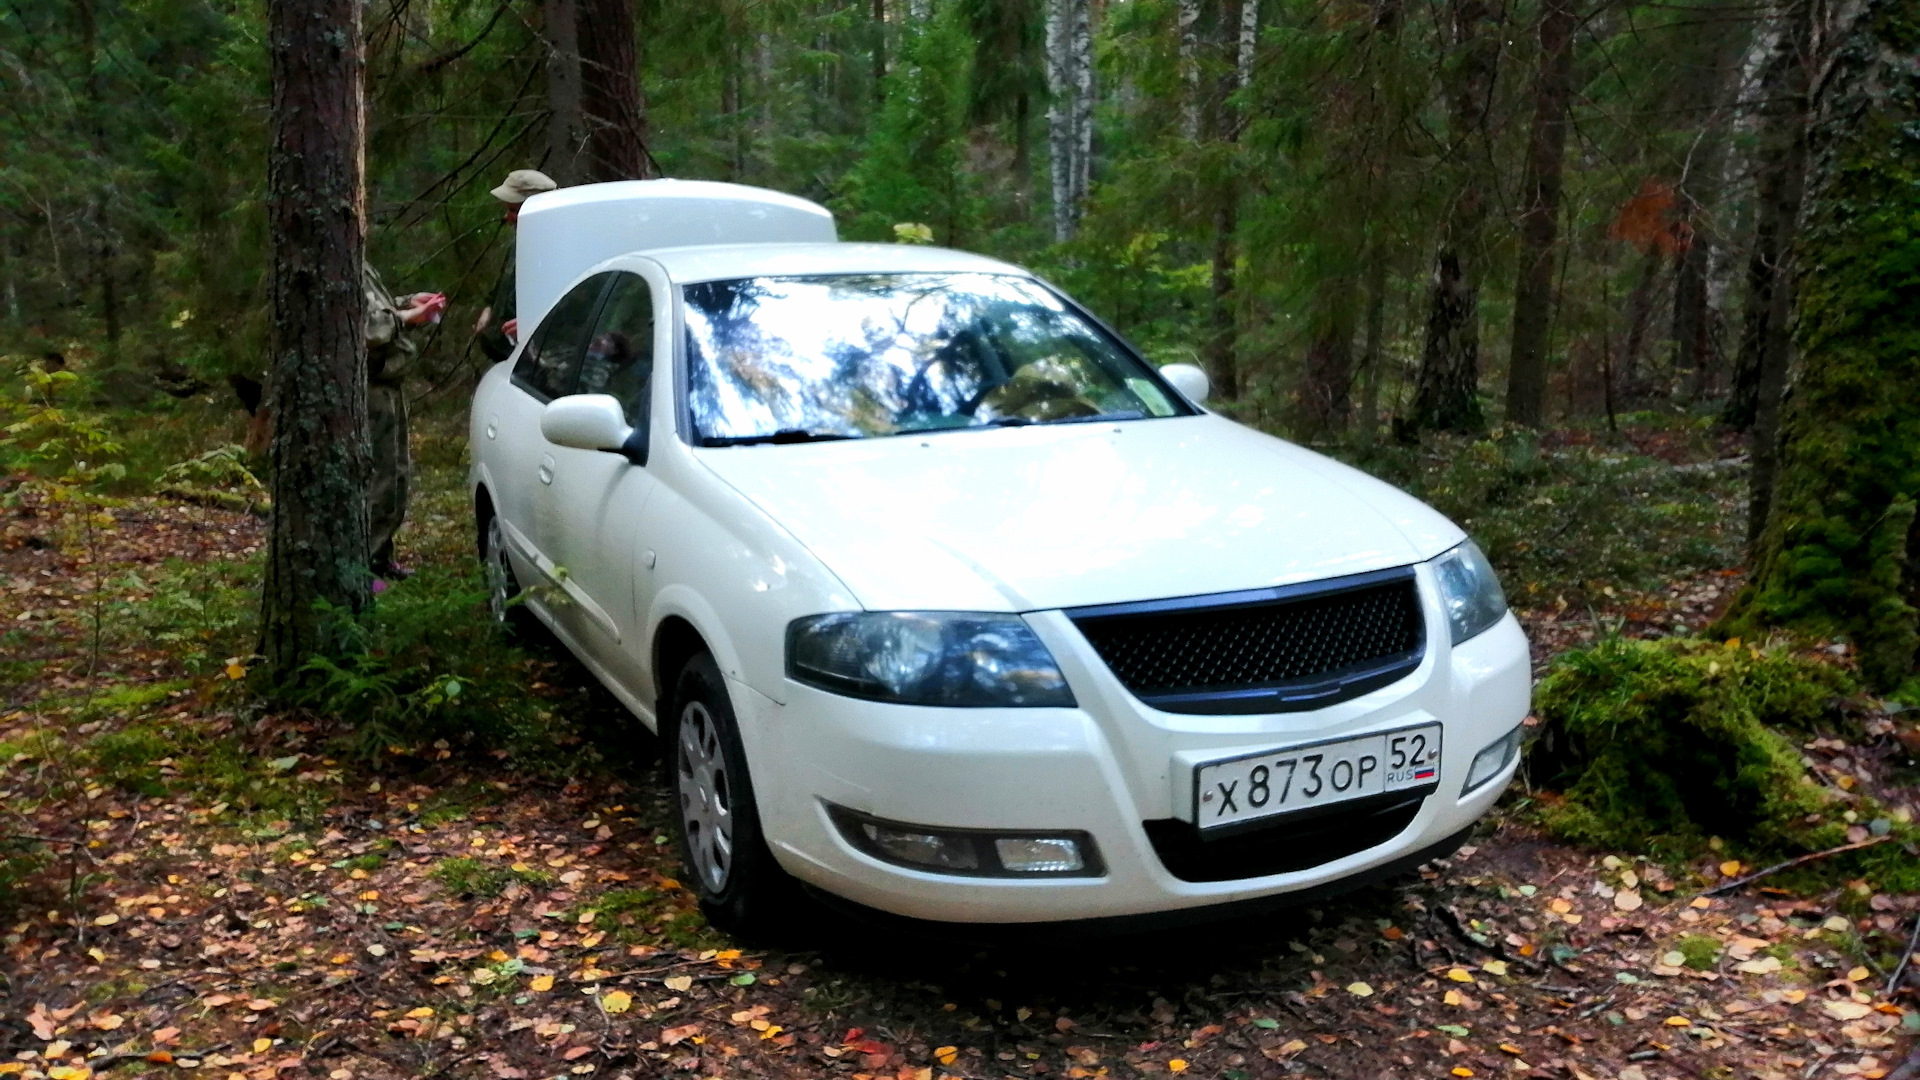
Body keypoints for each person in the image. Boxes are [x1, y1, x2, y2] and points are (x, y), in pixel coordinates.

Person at [365, 262, 446, 580]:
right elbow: (371, 329)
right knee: (380, 476)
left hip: (386, 384)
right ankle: (367, 566)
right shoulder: (333, 257)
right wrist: (409, 316)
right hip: (369, 386)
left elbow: (376, 309)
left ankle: (380, 557)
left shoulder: (359, 262)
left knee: (395, 472)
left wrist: (407, 302)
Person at [474, 169, 558, 362]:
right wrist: (489, 308)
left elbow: (572, 311)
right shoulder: (522, 240)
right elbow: (506, 281)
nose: (506, 217)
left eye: (513, 210)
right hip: (510, 354)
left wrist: (535, 327)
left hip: (542, 362)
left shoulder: (561, 249)